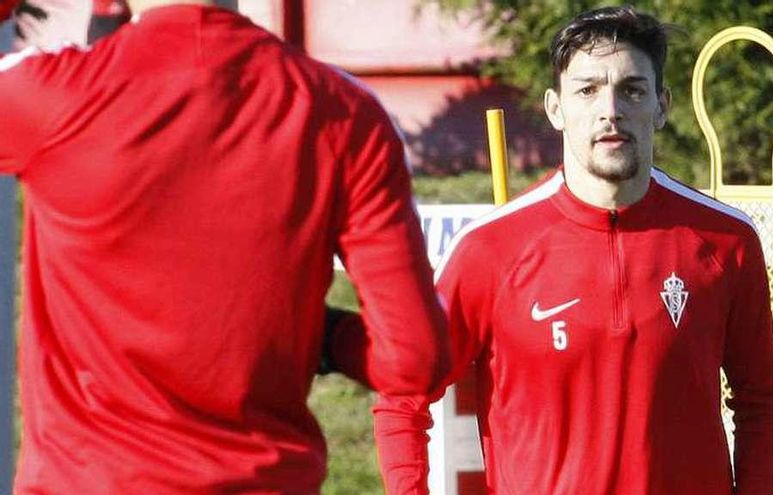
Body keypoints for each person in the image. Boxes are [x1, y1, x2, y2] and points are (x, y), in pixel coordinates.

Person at [0, 0, 449, 492]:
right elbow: (414, 358)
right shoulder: (344, 110)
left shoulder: (48, 93)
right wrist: (325, 336)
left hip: (89, 478)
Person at [356, 6, 773, 494]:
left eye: (631, 89)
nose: (611, 109)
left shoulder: (724, 240)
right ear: (555, 108)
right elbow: (402, 398)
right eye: (587, 90)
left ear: (663, 105)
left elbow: (763, 404)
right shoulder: (490, 249)